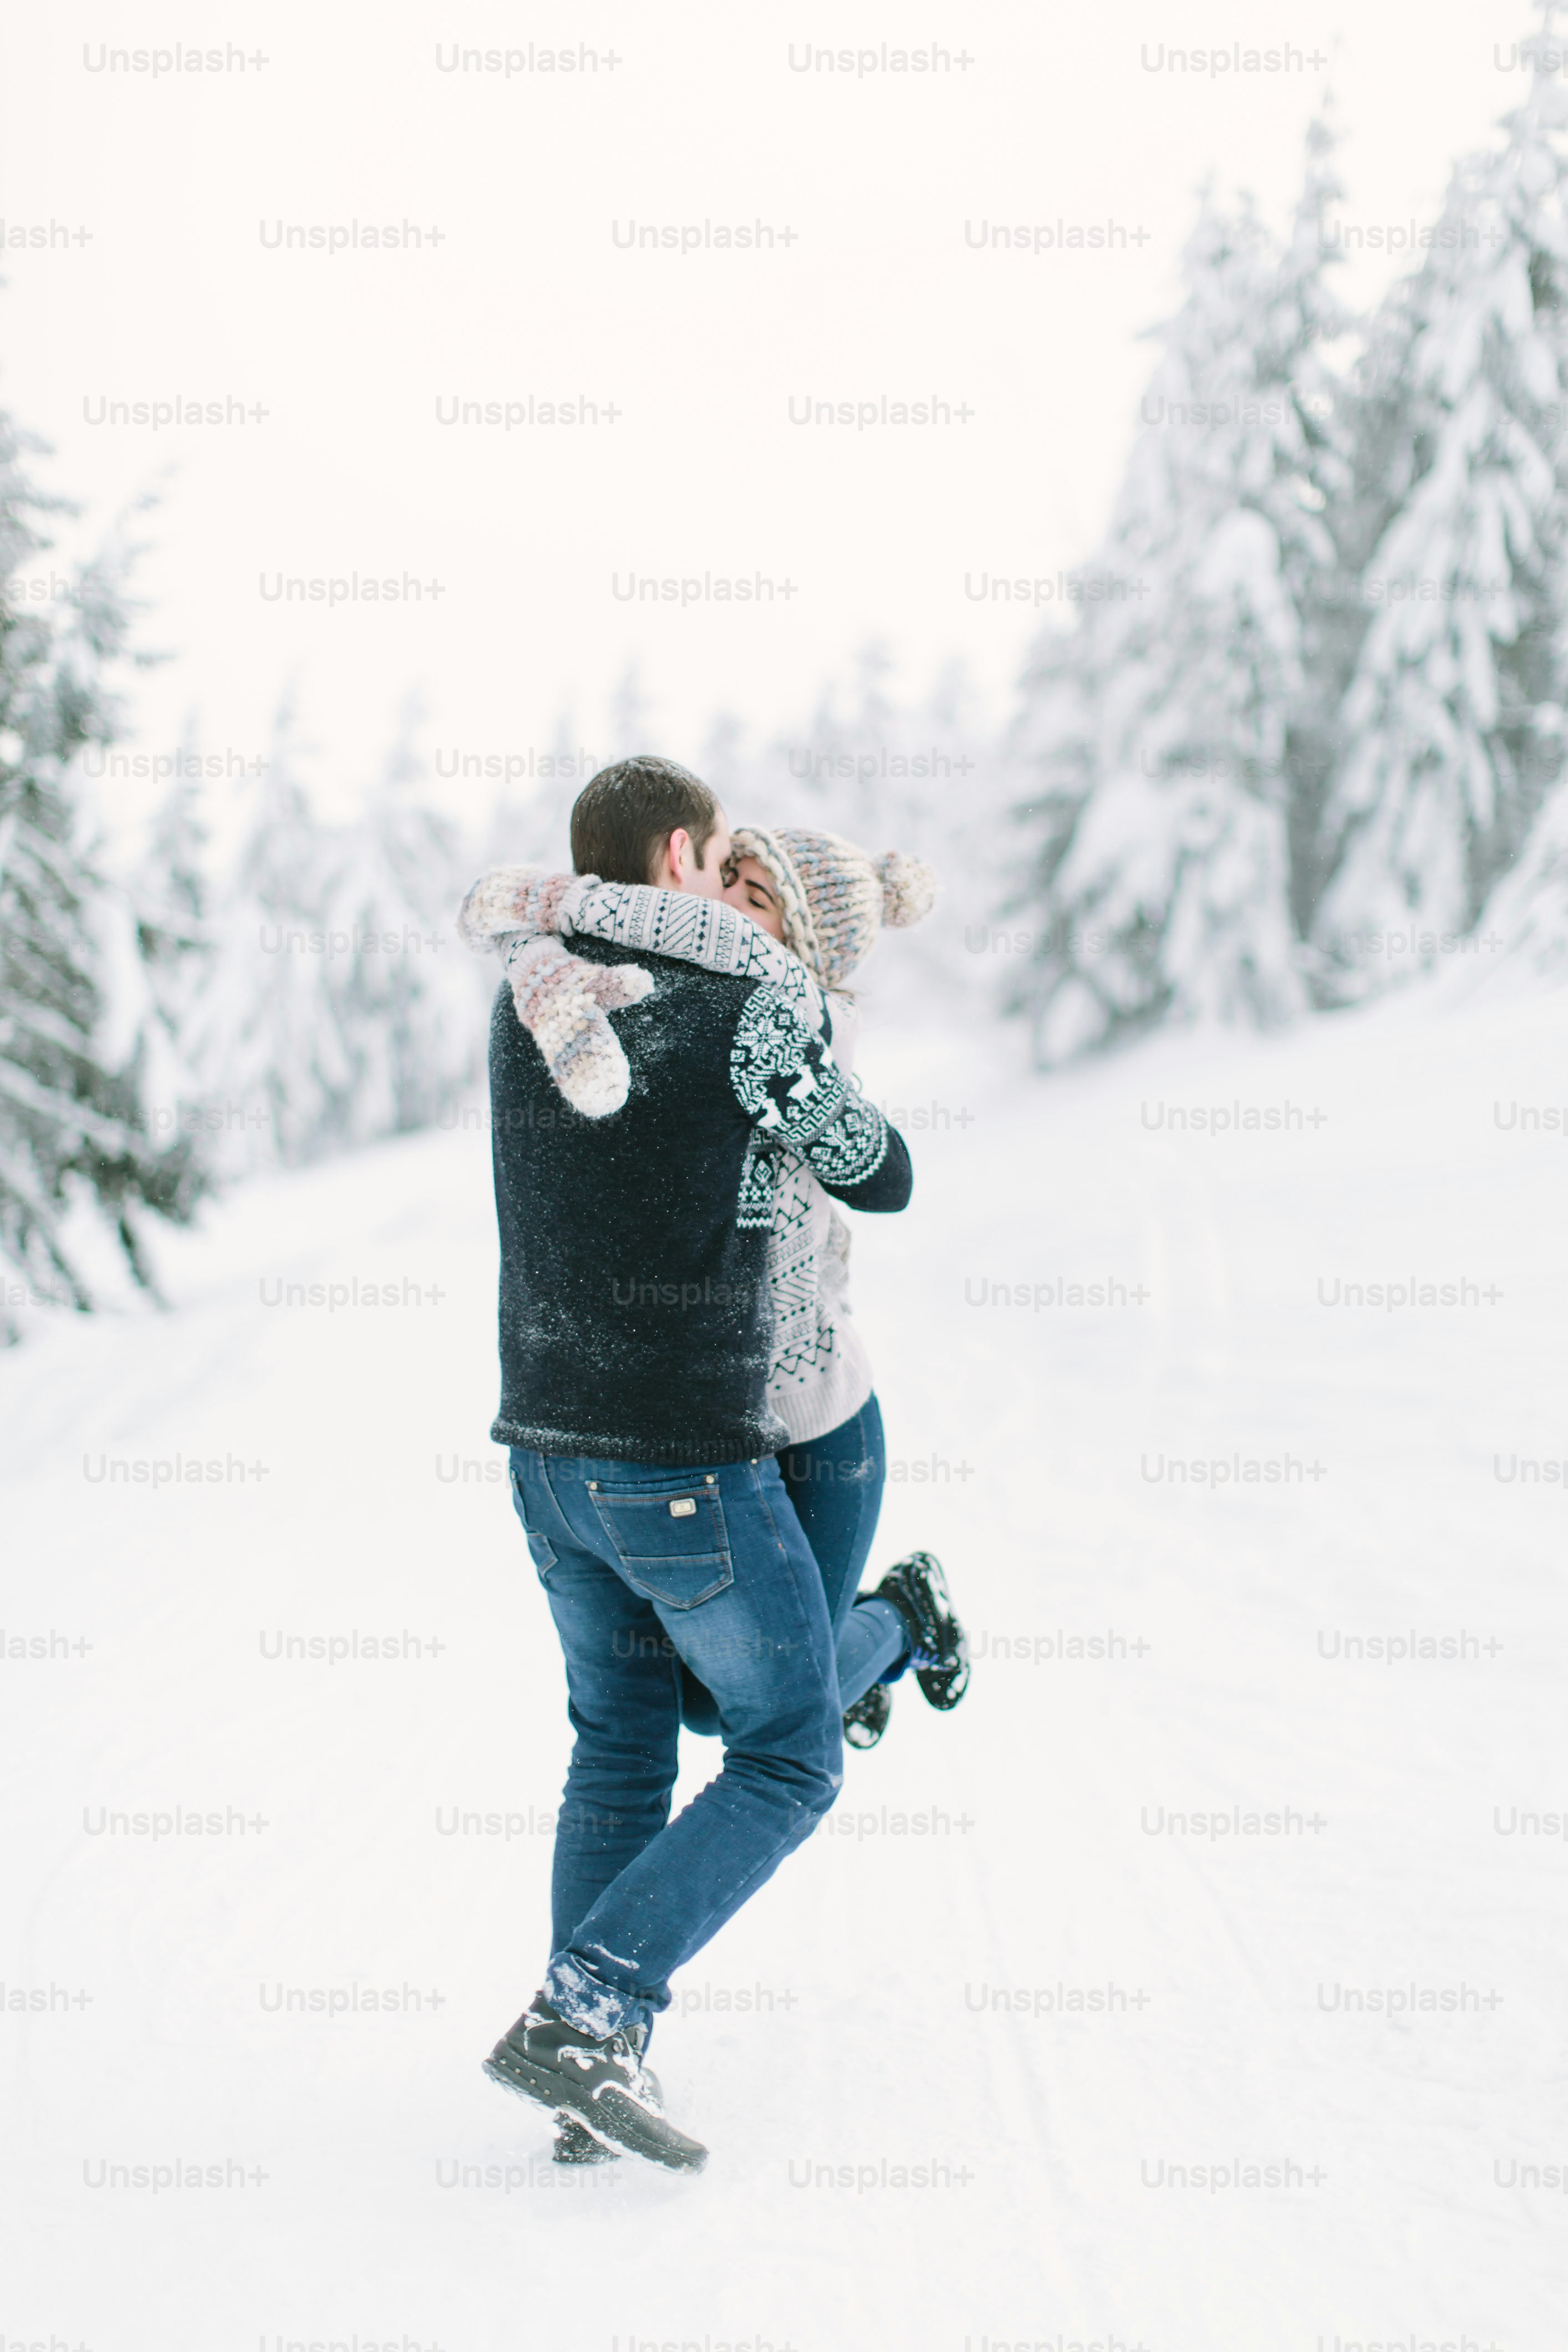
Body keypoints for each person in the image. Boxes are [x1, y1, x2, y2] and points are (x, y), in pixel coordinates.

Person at [458, 756, 967, 2173]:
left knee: (621, 1744)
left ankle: (583, 2063)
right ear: (681, 855)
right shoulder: (748, 1000)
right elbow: (877, 1170)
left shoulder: (531, 990)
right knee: (785, 1754)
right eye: (722, 855)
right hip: (679, 1451)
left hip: (545, 1452)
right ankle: (590, 2013)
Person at [481, 817, 971, 1752]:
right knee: (712, 1700)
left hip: (821, 1424)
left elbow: (886, 1175)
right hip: (721, 1429)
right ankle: (856, 1650)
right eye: (730, 876)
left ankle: (905, 1618)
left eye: (753, 896)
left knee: (774, 1707)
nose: (722, 904)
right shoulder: (711, 1002)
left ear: (806, 942)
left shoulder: (791, 1028)